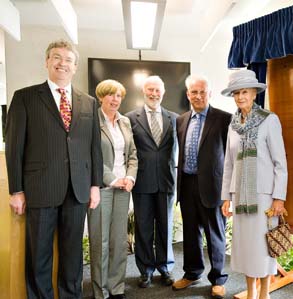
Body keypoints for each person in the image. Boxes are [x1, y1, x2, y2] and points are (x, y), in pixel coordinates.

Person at [5, 39, 103, 299]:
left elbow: (94, 148)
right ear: (47, 62)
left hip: (78, 190)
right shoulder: (25, 97)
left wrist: (95, 185)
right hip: (41, 189)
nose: (62, 63)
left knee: (72, 257)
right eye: (56, 57)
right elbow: (15, 148)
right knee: (39, 256)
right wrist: (16, 190)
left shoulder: (89, 103)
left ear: (75, 66)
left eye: (68, 59)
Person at [220, 69, 288, 299]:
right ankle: (251, 292)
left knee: (263, 248)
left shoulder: (270, 120)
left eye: (244, 92)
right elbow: (228, 163)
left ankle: (264, 294)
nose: (240, 97)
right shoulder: (232, 125)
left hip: (265, 198)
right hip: (240, 197)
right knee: (248, 248)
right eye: (236, 93)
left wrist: (279, 198)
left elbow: (281, 163)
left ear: (254, 93)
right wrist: (226, 197)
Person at [172, 74, 231, 299]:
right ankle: (192, 272)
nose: (198, 96)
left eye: (202, 92)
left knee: (215, 233)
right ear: (188, 95)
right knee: (190, 232)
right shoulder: (181, 120)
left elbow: (230, 157)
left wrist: (229, 193)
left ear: (209, 93)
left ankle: (218, 278)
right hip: (187, 183)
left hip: (213, 186)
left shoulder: (224, 119)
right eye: (193, 92)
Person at [126, 75, 178, 287]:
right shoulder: (129, 118)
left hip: (166, 180)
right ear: (143, 91)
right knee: (144, 227)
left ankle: (165, 268)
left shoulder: (174, 118)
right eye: (150, 89)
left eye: (157, 90)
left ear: (163, 92)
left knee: (166, 227)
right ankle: (145, 270)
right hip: (142, 182)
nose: (154, 93)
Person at [87, 79, 138, 299]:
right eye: (111, 95)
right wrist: (111, 179)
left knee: (119, 241)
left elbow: (133, 155)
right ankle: (101, 291)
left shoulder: (125, 122)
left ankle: (116, 287)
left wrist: (129, 177)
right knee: (101, 241)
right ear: (101, 97)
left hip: (123, 189)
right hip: (102, 188)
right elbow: (90, 156)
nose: (115, 99)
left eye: (119, 95)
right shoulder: (90, 121)